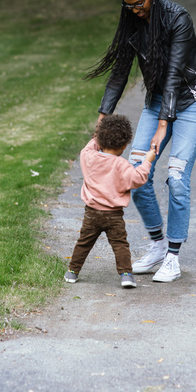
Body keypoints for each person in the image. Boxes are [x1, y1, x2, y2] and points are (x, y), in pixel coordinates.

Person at [85, 0, 196, 283]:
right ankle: (158, 245)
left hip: (192, 98)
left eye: (139, 3)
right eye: (128, 5)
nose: (134, 9)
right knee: (136, 173)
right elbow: (119, 75)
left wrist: (163, 125)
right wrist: (101, 120)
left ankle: (173, 257)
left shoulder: (178, 18)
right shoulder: (132, 24)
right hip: (159, 99)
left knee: (175, 176)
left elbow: (174, 76)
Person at [64, 114, 156, 288]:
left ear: (100, 140)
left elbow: (90, 146)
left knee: (84, 242)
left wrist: (98, 136)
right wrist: (147, 161)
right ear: (124, 145)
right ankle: (126, 275)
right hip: (114, 215)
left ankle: (72, 272)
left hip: (91, 213)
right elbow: (137, 178)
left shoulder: (88, 156)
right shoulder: (122, 165)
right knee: (120, 244)